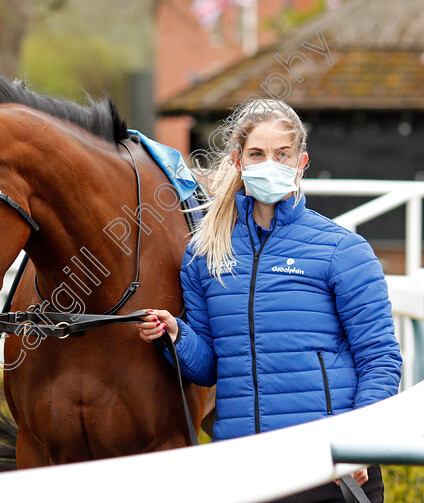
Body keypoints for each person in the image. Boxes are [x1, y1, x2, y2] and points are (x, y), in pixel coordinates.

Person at [137, 98, 402, 502]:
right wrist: (175, 336)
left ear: (301, 162)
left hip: (328, 469)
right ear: (238, 161)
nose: (270, 164)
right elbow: (210, 367)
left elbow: (380, 359)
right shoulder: (205, 254)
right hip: (244, 469)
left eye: (283, 154)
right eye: (258, 154)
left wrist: (357, 444)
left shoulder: (342, 249)